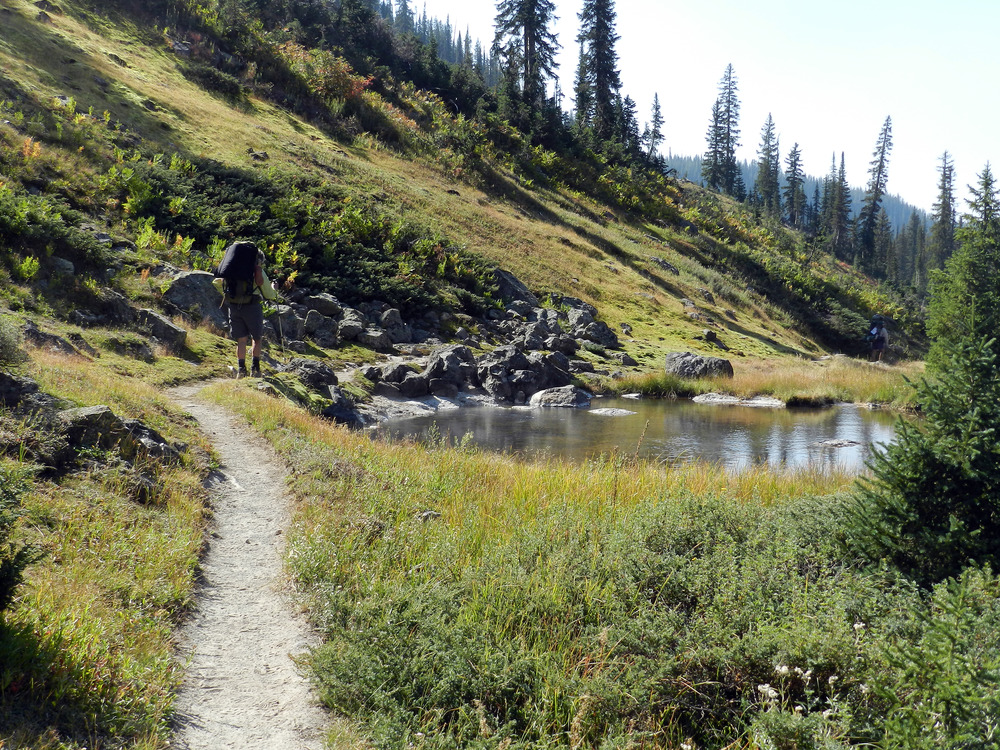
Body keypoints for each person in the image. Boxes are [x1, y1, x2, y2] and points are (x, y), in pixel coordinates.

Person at [213, 242, 278, 378]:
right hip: (252, 307)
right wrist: (274, 288)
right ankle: (255, 369)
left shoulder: (231, 271)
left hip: (234, 307)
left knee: (241, 340)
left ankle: (241, 370)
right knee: (257, 338)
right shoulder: (256, 271)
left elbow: (218, 284)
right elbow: (269, 295)